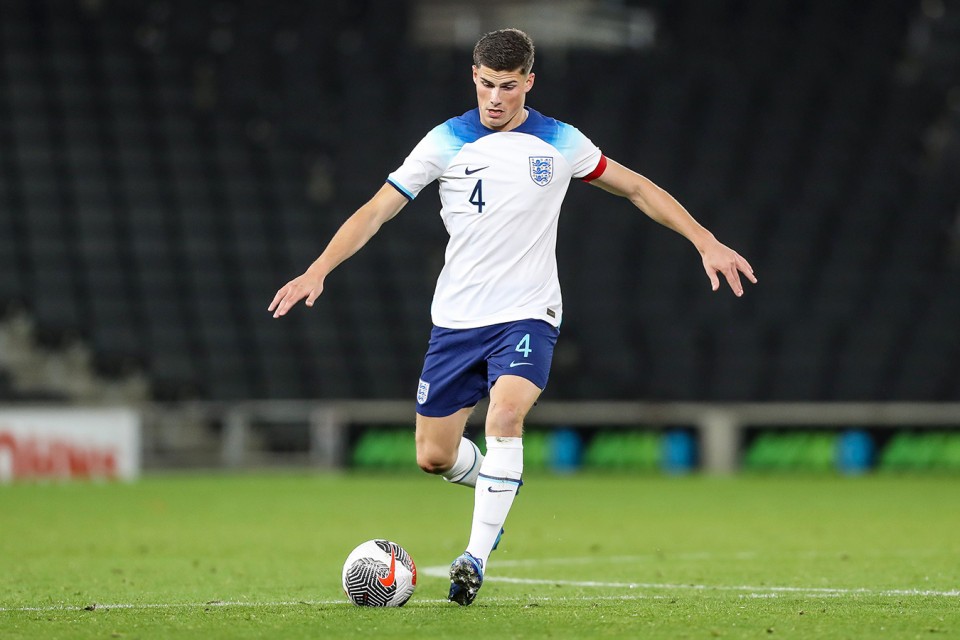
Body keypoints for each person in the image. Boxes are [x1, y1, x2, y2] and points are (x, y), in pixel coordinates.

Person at [268, 28, 756, 606]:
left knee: (504, 415)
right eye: (485, 84)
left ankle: (473, 558)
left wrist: (705, 240)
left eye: (507, 86)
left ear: (529, 82)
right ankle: (502, 481)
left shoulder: (560, 141)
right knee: (433, 456)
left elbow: (637, 189)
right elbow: (376, 210)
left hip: (528, 313)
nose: (495, 98)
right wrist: (318, 269)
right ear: (473, 77)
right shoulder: (445, 140)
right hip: (456, 321)